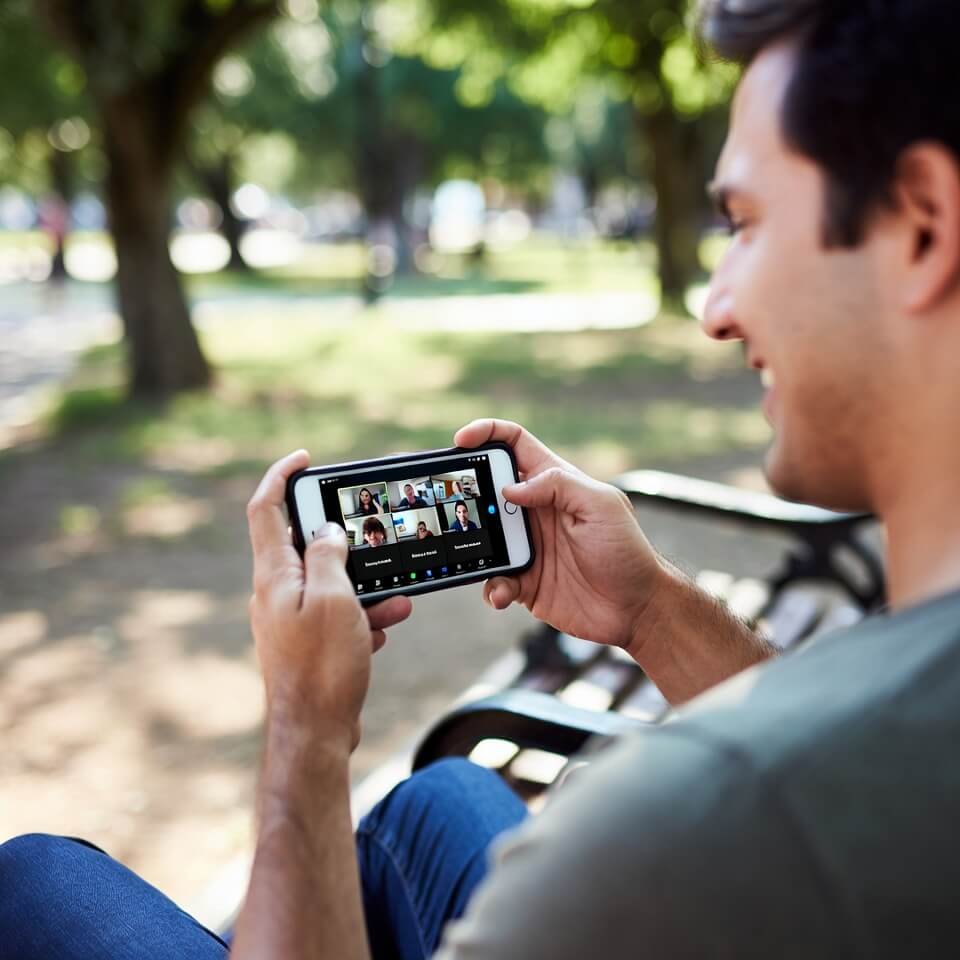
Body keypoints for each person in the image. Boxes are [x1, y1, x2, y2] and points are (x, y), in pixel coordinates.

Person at [5, 2, 960, 957]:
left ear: (922, 223)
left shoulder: (675, 823)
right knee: (441, 799)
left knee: (36, 881)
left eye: (746, 223)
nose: (716, 309)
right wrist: (652, 611)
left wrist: (306, 732)